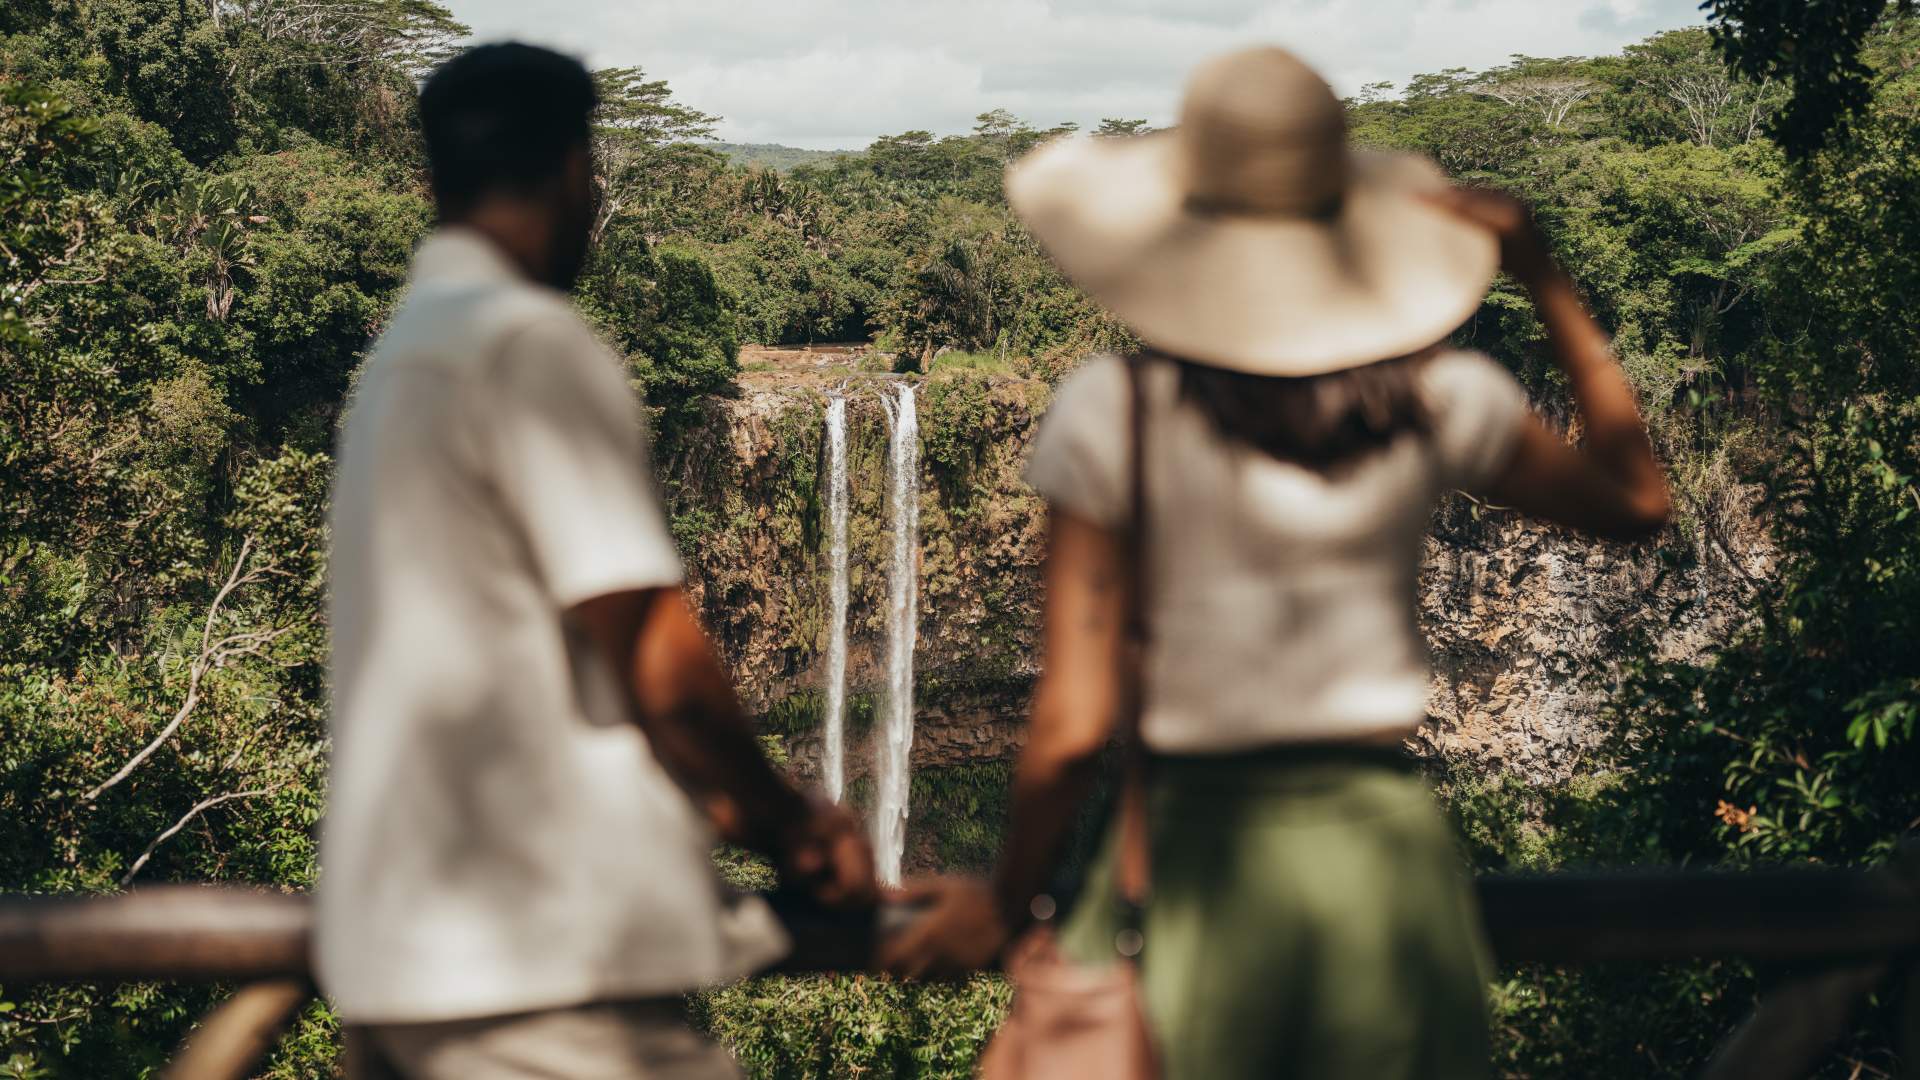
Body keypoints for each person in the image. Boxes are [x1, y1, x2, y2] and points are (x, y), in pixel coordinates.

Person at [881, 46, 1671, 1078]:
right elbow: (1639, 503)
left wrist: (1007, 896)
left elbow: (1073, 724)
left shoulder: (1115, 413)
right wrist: (1546, 280)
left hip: (1195, 858)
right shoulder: (1445, 402)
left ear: (1183, 234)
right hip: (1387, 868)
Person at [317, 43, 873, 1079]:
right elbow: (661, 660)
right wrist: (792, 827)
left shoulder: (398, 360)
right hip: (539, 971)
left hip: (397, 967)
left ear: (432, 182)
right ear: (579, 171)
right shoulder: (529, 344)